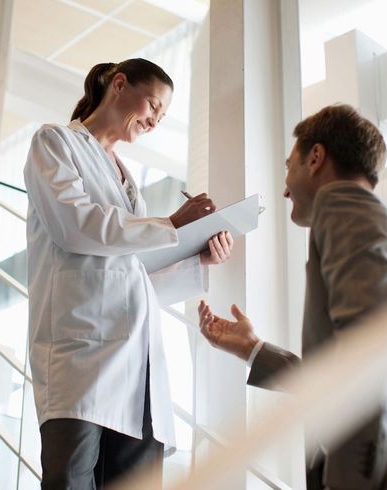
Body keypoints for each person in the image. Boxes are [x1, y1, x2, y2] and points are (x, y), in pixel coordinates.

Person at [198, 105, 387, 489]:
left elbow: (368, 366)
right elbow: (351, 369)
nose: (285, 188)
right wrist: (254, 349)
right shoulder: (380, 219)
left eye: (290, 166)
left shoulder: (344, 206)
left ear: (316, 158)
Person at [24, 58, 233, 489]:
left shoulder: (126, 179)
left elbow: (133, 277)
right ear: (119, 85)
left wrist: (198, 258)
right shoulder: (55, 142)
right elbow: (74, 226)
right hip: (80, 356)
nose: (156, 120)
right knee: (72, 481)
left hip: (137, 362)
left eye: (163, 115)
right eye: (154, 105)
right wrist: (171, 225)